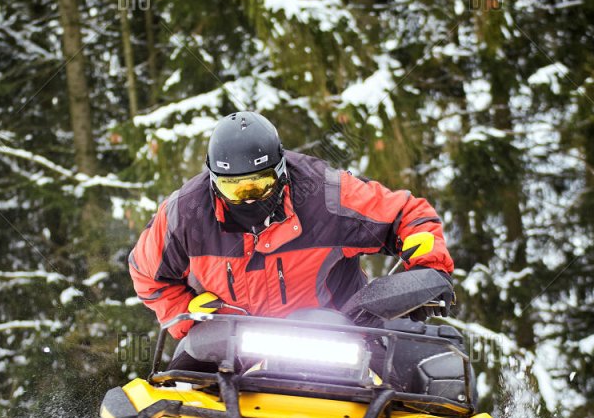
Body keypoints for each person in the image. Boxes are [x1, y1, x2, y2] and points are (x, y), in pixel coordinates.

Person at [128, 111, 455, 350]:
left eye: (259, 184)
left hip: (338, 342)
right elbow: (146, 273)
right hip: (226, 345)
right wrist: (186, 313)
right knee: (167, 408)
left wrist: (426, 267)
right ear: (214, 182)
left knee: (415, 397)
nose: (249, 197)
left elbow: (406, 212)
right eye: (234, 188)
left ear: (281, 172)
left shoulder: (326, 196)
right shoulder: (185, 215)